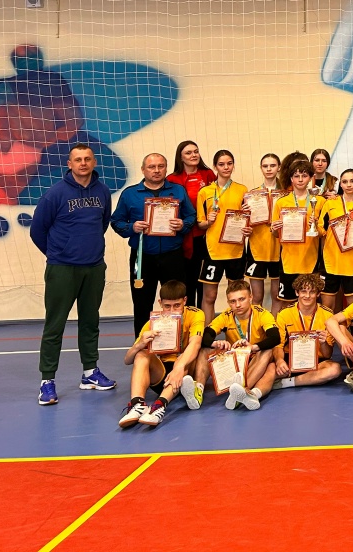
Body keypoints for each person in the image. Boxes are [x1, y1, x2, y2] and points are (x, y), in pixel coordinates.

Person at [31, 142, 115, 406]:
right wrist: (59, 254)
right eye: (78, 159)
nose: (83, 163)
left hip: (94, 267)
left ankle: (90, 373)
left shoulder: (102, 191)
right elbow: (37, 230)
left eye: (87, 159)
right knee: (54, 326)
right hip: (62, 269)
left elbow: (102, 223)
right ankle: (47, 381)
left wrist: (89, 250)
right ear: (69, 164)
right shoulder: (55, 193)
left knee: (90, 321)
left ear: (94, 162)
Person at [111, 152, 194, 335]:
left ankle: (180, 344)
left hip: (172, 255)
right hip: (142, 257)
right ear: (143, 170)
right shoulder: (130, 194)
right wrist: (132, 227)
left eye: (160, 166)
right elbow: (116, 221)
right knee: (142, 303)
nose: (156, 170)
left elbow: (191, 216)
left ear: (165, 168)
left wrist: (183, 224)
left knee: (177, 302)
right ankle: (142, 346)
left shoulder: (178, 191)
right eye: (151, 167)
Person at [118, 279, 205, 428]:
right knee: (141, 354)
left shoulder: (196, 314)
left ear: (185, 301)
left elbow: (195, 344)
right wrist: (140, 344)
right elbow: (127, 360)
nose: (172, 310)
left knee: (186, 358)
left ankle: (159, 406)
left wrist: (179, 367)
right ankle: (137, 405)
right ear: (160, 303)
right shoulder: (154, 322)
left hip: (185, 374)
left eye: (177, 305)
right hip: (162, 374)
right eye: (167, 306)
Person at [194, 278, 280, 410]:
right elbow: (205, 336)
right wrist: (216, 343)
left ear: (250, 297)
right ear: (228, 302)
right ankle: (198, 391)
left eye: (242, 299)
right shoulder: (226, 316)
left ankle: (241, 391)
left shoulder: (262, 314)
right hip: (234, 363)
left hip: (255, 362)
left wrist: (253, 347)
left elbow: (275, 337)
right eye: (233, 301)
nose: (238, 305)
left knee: (269, 355)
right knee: (205, 349)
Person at [195, 149, 249, 323]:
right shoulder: (205, 192)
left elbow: (247, 218)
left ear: (233, 165)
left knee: (237, 298)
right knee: (209, 296)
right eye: (221, 164)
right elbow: (200, 223)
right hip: (213, 250)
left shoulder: (242, 190)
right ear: (215, 167)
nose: (226, 167)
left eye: (229, 163)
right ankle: (207, 333)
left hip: (235, 250)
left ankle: (236, 333)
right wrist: (208, 221)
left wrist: (248, 228)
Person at [168, 139, 217, 306]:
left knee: (203, 281)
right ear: (180, 157)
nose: (193, 155)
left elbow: (218, 199)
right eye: (188, 153)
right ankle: (188, 315)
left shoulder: (208, 174)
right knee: (187, 280)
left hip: (205, 234)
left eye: (196, 151)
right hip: (183, 236)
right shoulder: (172, 179)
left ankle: (202, 317)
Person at [272, 272, 343, 389]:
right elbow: (278, 346)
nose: (307, 296)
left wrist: (323, 343)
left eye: (312, 292)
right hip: (290, 360)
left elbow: (327, 354)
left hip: (317, 361)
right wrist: (279, 361)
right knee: (269, 369)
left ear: (318, 294)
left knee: (335, 369)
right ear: (297, 292)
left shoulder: (328, 315)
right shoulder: (284, 314)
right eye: (303, 291)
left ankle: (287, 382)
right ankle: (253, 391)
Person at [271, 159, 324, 310]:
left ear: (311, 178)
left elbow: (323, 232)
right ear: (291, 178)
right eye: (296, 176)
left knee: (311, 302)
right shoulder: (281, 202)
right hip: (289, 261)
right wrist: (275, 228)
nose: (300, 180)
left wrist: (315, 226)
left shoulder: (319, 201)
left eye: (304, 176)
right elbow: (275, 234)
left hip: (311, 260)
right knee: (287, 303)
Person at [319, 168, 353, 312]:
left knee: (352, 309)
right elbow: (320, 228)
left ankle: (350, 328)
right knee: (327, 306)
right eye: (345, 182)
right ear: (340, 184)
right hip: (331, 259)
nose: (348, 184)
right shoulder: (330, 203)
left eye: (352, 181)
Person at [244, 153, 283, 309]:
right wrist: (245, 216)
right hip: (257, 246)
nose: (269, 169)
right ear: (261, 168)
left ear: (279, 167)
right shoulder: (252, 195)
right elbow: (245, 223)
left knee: (277, 296)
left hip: (279, 247)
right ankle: (257, 325)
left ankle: (274, 325)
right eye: (265, 166)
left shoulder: (287, 194)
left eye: (272, 165)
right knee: (257, 296)